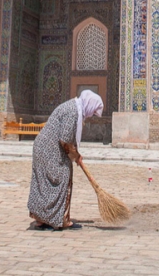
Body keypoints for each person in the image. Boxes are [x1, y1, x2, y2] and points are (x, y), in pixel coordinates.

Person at [27, 89, 104, 231]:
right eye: (93, 112)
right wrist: (75, 155)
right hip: (49, 150)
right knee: (62, 175)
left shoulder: (74, 107)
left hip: (45, 148)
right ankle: (59, 219)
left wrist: (75, 154)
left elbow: (66, 139)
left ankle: (42, 218)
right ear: (90, 105)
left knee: (45, 182)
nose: (92, 115)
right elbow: (65, 139)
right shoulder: (73, 111)